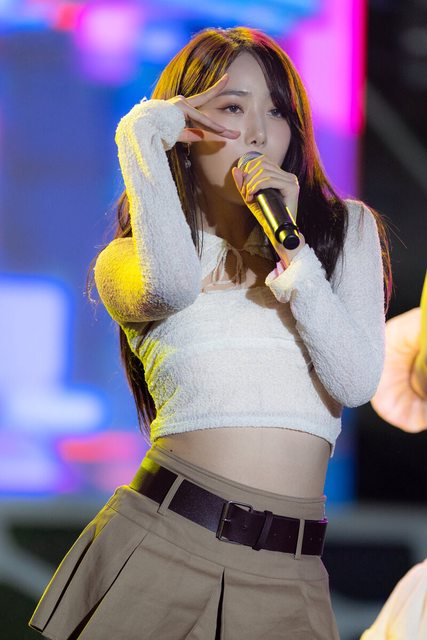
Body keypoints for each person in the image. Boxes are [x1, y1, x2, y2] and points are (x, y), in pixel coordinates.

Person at [28, 26, 392, 640]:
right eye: (232, 108)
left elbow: (355, 381)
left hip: (292, 570)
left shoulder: (343, 234)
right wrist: (140, 133)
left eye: (277, 112)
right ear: (185, 129)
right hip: (165, 545)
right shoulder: (128, 262)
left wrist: (294, 255)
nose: (258, 134)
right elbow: (170, 286)